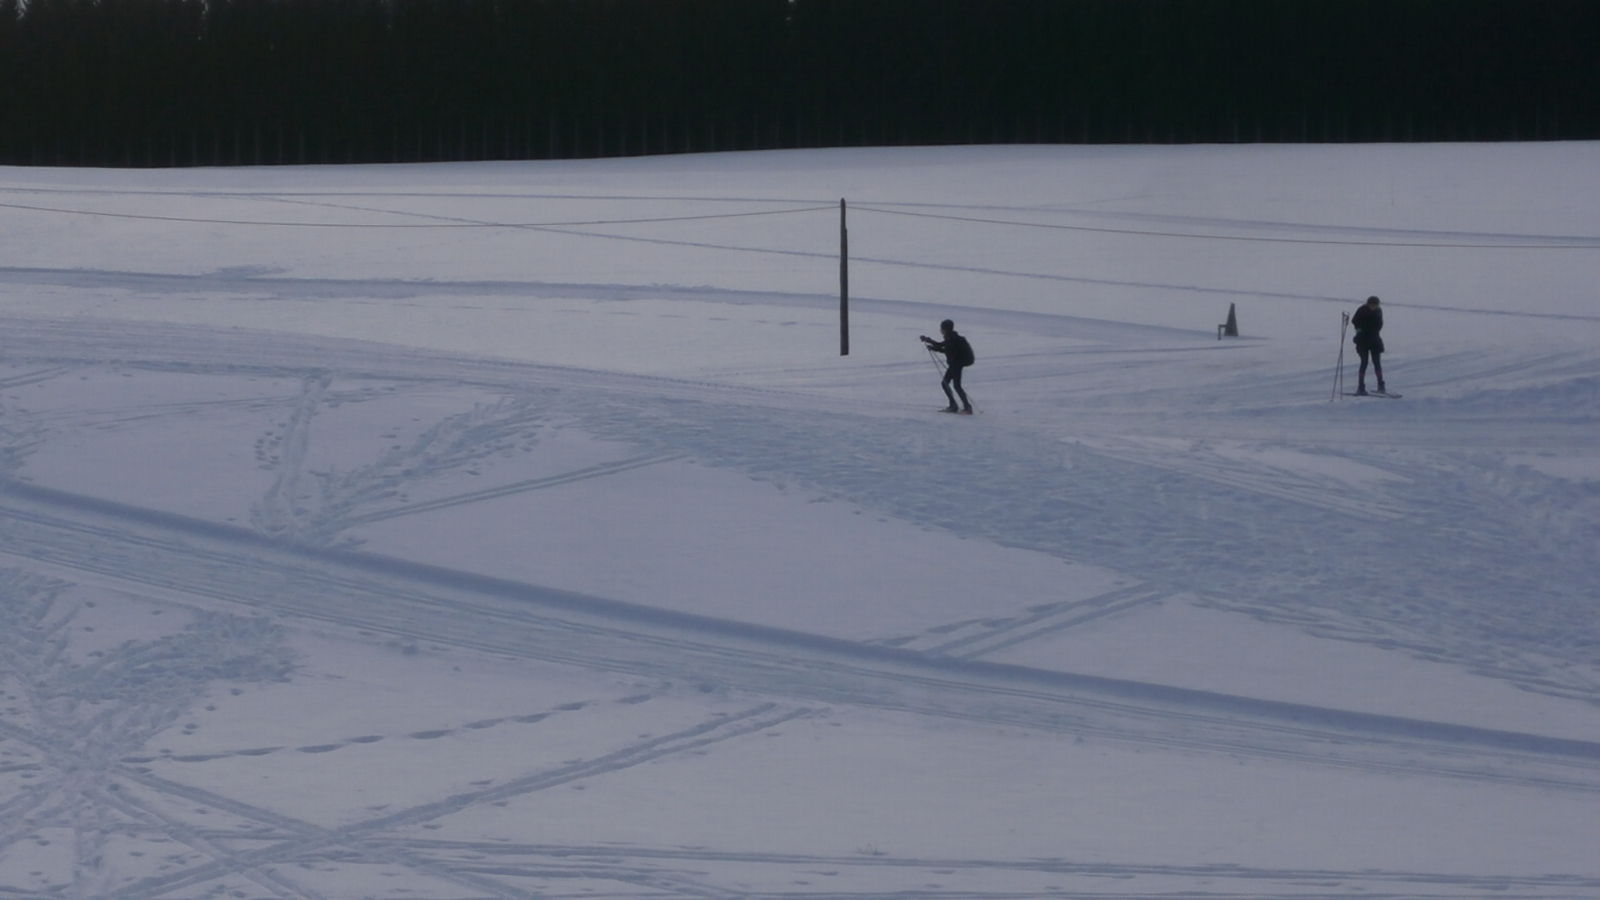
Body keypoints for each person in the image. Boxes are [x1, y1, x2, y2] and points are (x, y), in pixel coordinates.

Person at [920, 319, 974, 413]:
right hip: (956, 364)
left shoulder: (952, 339)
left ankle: (961, 407)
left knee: (949, 384)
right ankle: (962, 406)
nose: (940, 330)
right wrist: (930, 342)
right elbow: (943, 346)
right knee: (953, 385)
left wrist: (932, 346)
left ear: (946, 329)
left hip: (956, 364)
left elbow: (945, 348)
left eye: (942, 328)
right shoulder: (952, 337)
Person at [1350, 296, 1385, 395]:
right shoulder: (1362, 310)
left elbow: (1379, 325)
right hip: (1363, 341)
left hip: (1374, 341)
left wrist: (1373, 333)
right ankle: (1361, 387)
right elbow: (1355, 322)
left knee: (1377, 363)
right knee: (1364, 363)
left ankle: (1381, 386)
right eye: (1372, 305)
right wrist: (1360, 331)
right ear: (1368, 304)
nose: (1373, 307)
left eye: (1376, 305)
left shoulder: (1378, 311)